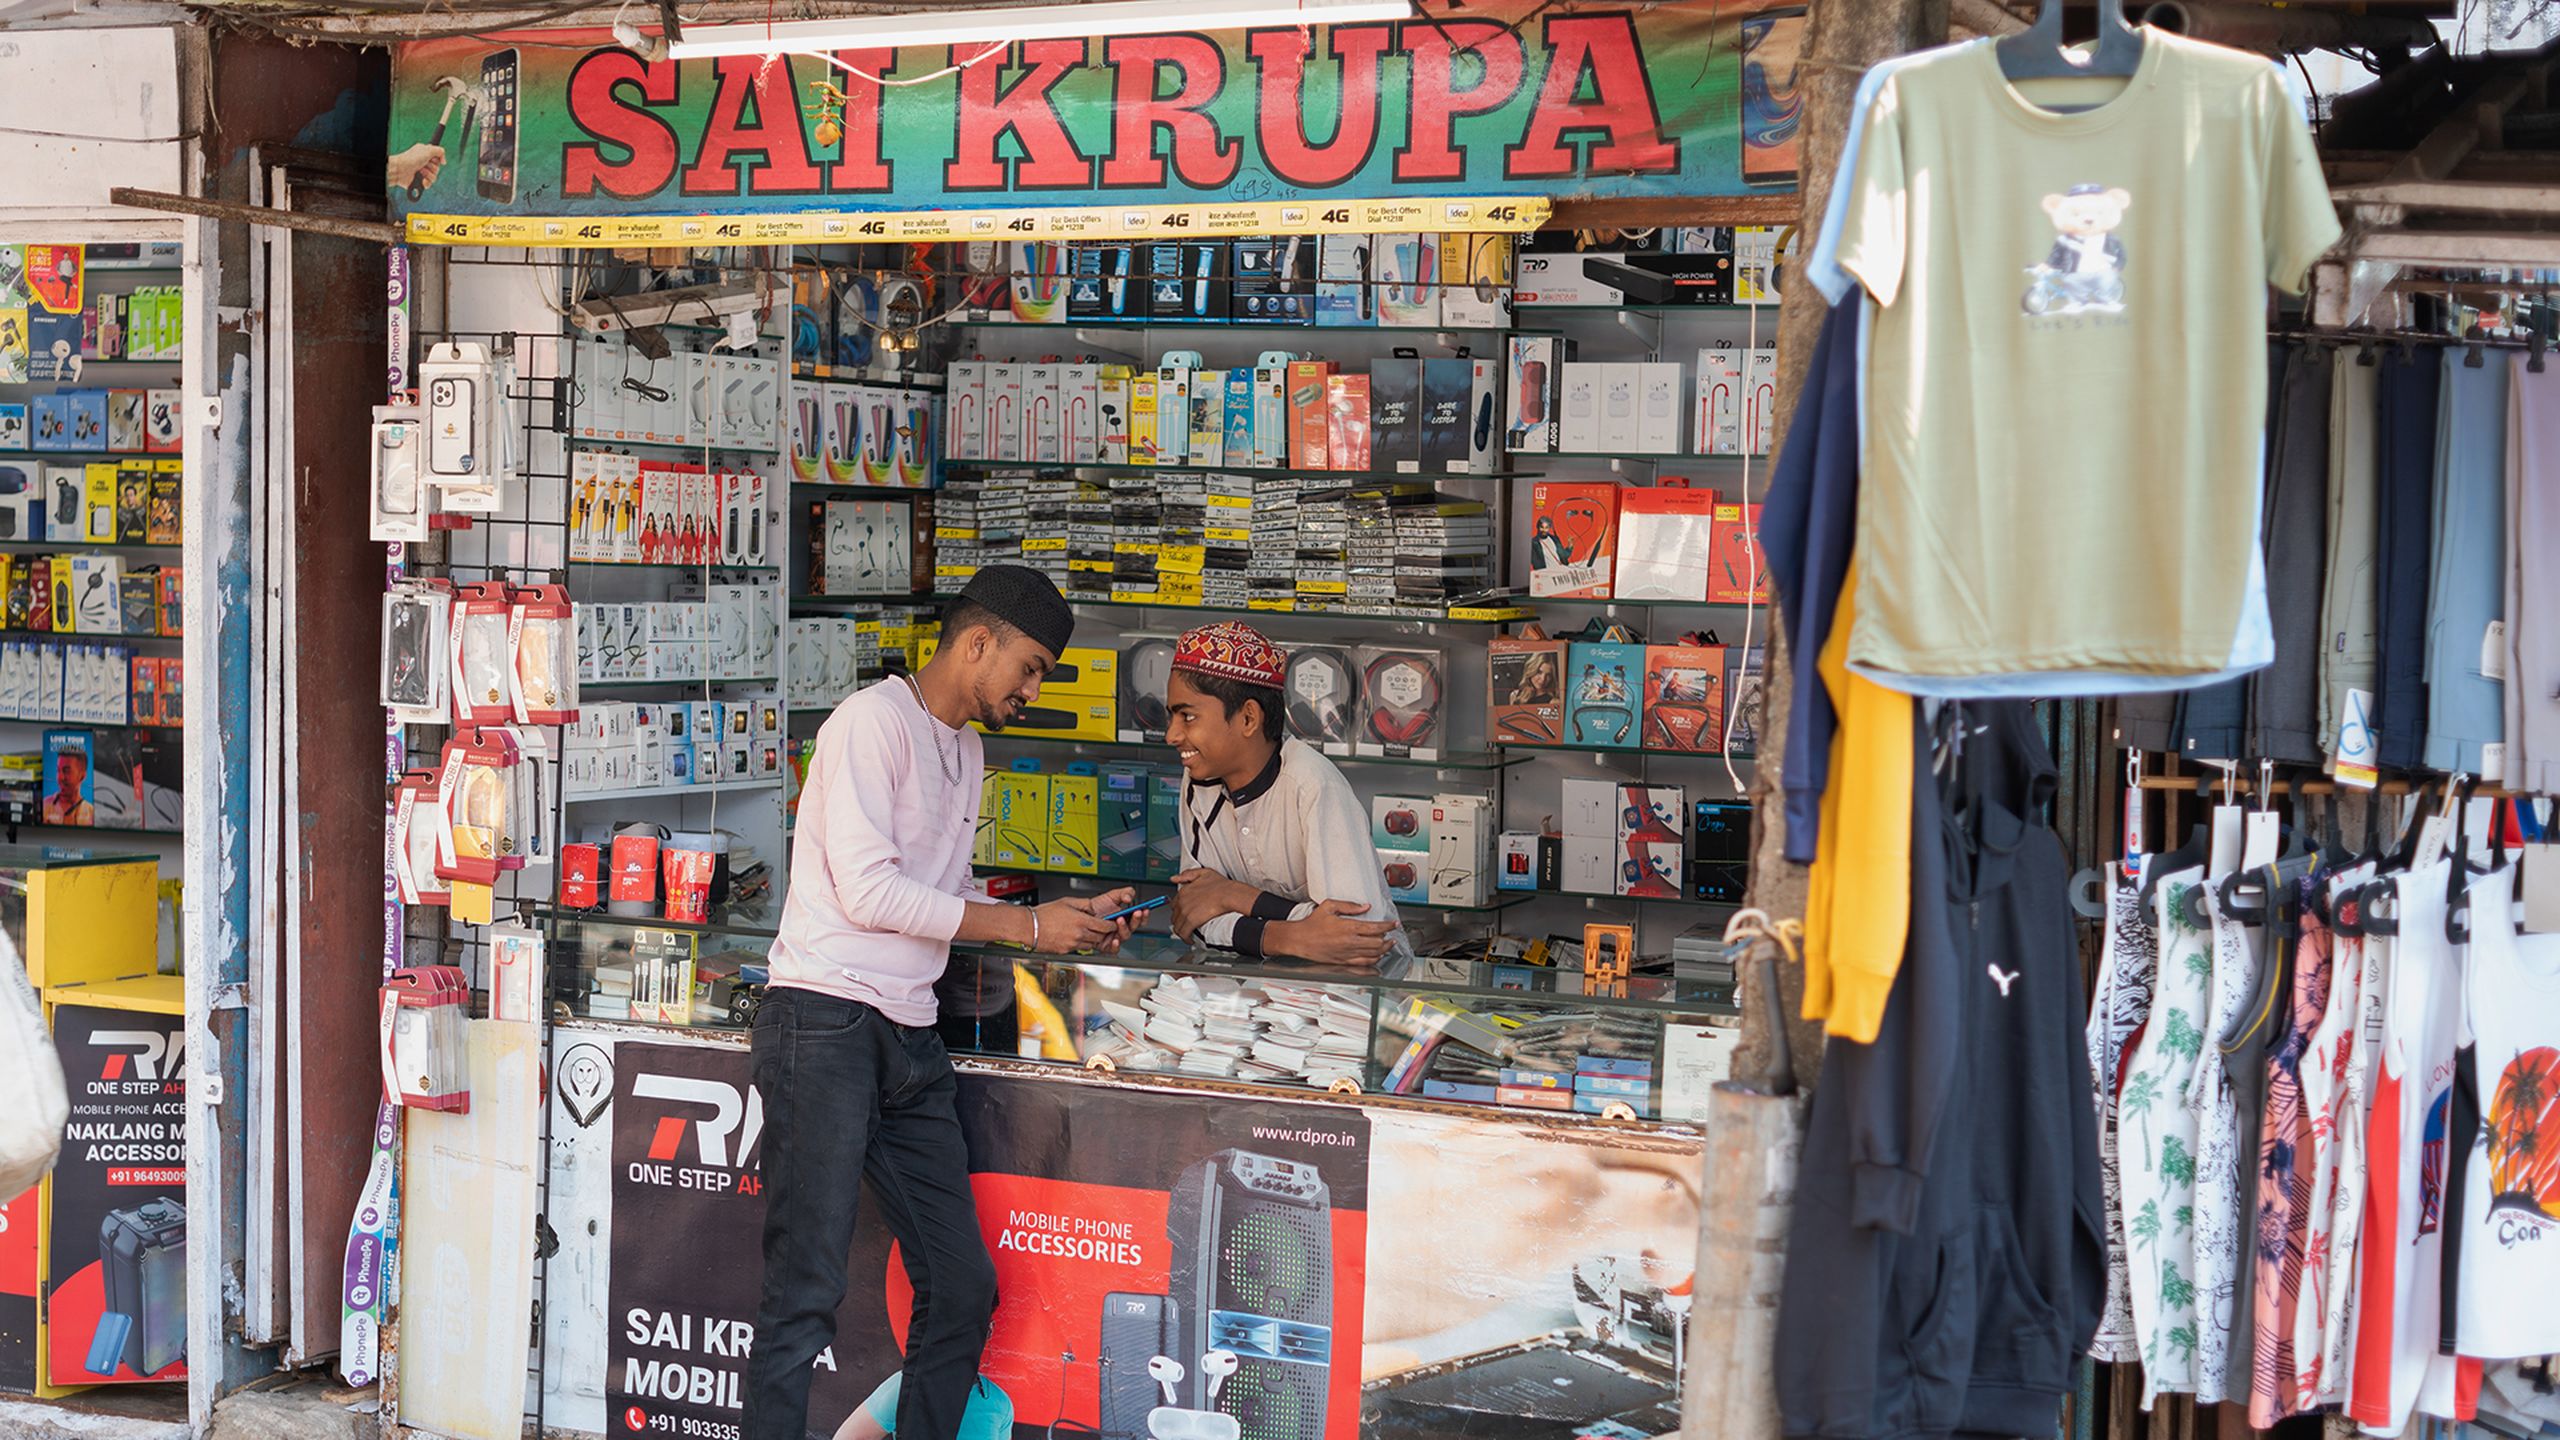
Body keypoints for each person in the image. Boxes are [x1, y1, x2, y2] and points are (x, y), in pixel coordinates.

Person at [747, 565, 1136, 1440]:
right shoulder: (868, 725)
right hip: (823, 1022)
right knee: (802, 1294)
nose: (1031, 690)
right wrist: (1027, 928)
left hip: (907, 1033)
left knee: (961, 1286)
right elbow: (869, 894)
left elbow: (945, 901)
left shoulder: (965, 750)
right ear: (977, 642)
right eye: (1030, 668)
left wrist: (1057, 928)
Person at [1162, 621, 1407, 968]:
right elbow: (1194, 915)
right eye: (1171, 716)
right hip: (1259, 998)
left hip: (1351, 996)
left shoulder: (1313, 785)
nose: (1171, 735)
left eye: (1188, 716)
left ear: (1248, 718)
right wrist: (1290, 936)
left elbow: (1358, 936)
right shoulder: (1198, 782)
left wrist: (1232, 895)